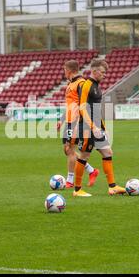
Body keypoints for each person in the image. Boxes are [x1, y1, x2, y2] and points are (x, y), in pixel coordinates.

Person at [73, 59, 126, 197]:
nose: (105, 75)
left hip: (96, 127)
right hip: (86, 126)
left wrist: (103, 126)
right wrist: (92, 127)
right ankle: (77, 190)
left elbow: (95, 110)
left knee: (107, 152)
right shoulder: (86, 85)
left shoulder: (97, 86)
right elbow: (82, 108)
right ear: (95, 71)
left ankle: (112, 187)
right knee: (84, 155)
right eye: (103, 72)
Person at [57, 60, 99, 188]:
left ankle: (70, 180)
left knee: (70, 149)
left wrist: (79, 123)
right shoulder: (71, 84)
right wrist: (62, 119)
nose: (64, 72)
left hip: (76, 122)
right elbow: (70, 105)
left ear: (69, 70)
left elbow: (83, 105)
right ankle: (92, 171)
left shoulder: (80, 83)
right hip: (69, 121)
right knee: (67, 150)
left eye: (64, 69)